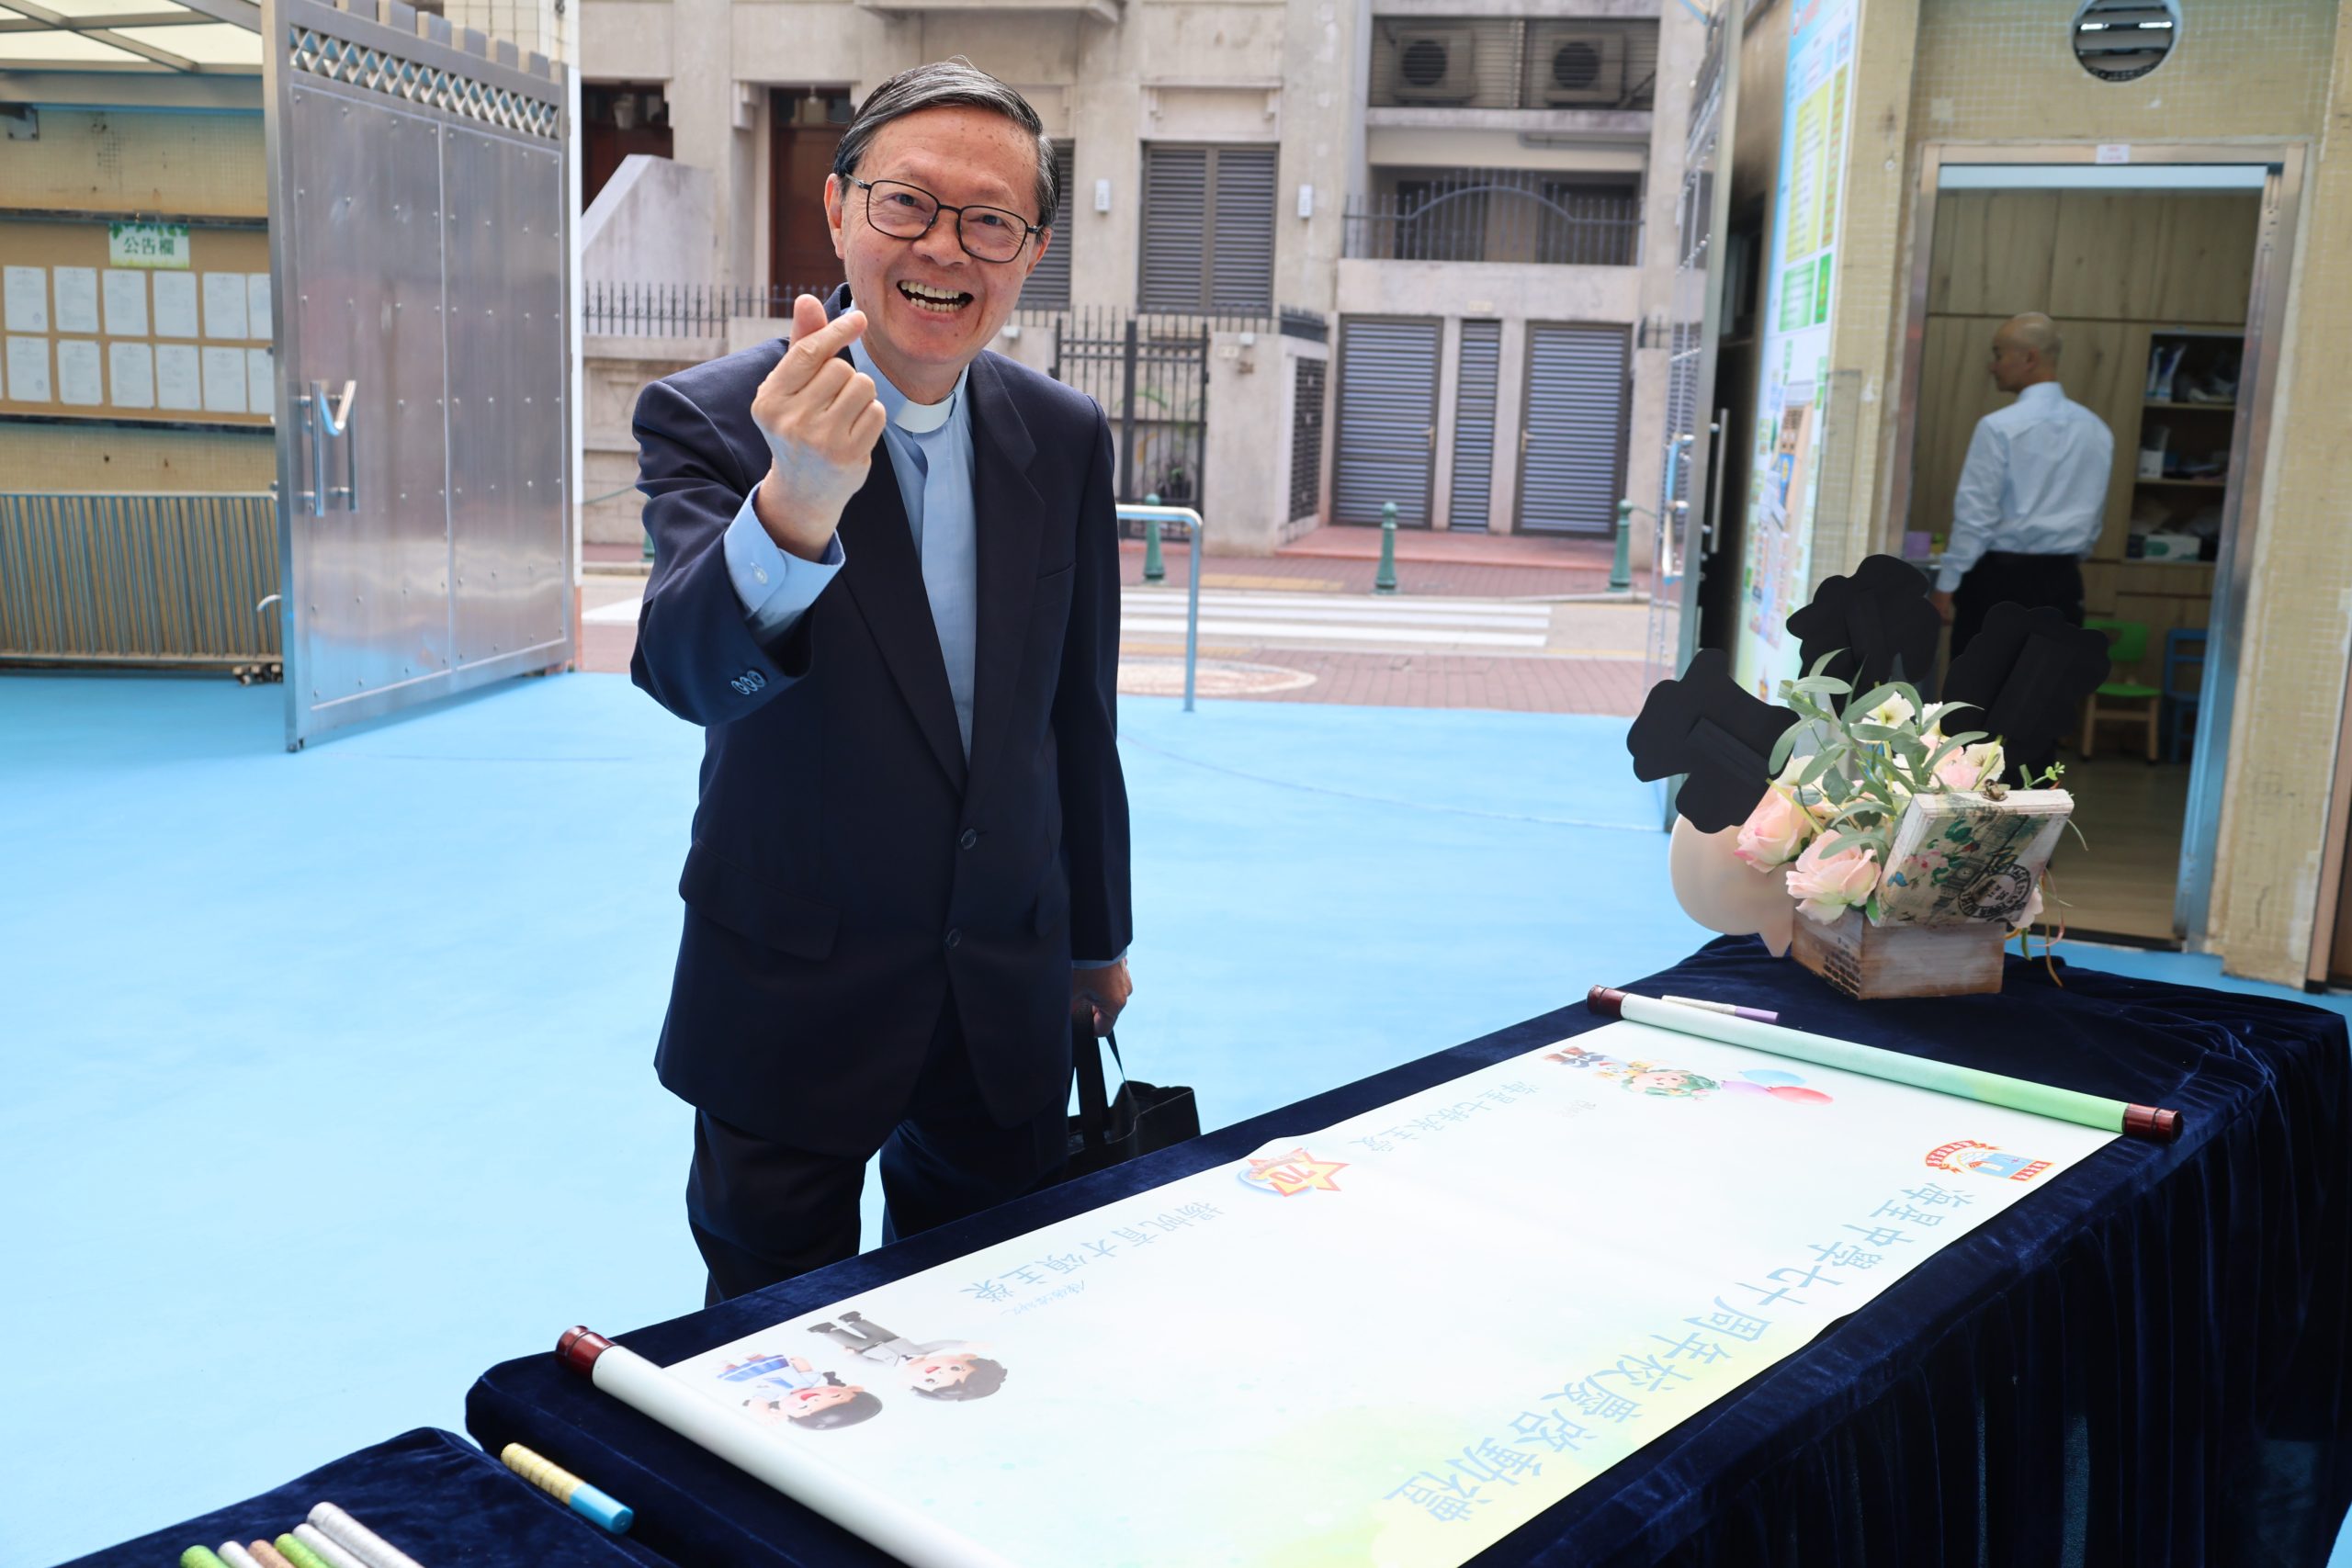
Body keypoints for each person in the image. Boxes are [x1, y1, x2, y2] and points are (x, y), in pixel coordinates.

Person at [629, 60, 1134, 1304]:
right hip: (788, 988)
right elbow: (686, 669)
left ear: (1032, 251)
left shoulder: (1062, 433)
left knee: (988, 1325)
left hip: (1004, 988)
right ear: (839, 208)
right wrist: (793, 505)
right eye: (907, 203)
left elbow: (1077, 713)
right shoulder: (716, 417)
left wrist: (1096, 940)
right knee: (767, 1350)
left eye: (991, 220)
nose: (944, 248)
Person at [1928, 312, 2115, 660]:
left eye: (1998, 354)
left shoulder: (1998, 427)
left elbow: (1975, 518)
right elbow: (2094, 517)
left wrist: (1947, 584)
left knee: (1981, 687)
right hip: (2063, 581)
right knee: (2050, 686)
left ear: (2030, 358)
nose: (1992, 366)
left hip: (1997, 583)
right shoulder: (2096, 429)